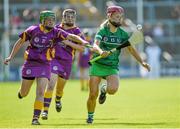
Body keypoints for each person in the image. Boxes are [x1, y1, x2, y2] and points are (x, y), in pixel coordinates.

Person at [4, 10, 89, 125]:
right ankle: (21, 93)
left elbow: (71, 36)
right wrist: (10, 57)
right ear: (42, 20)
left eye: (52, 20)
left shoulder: (56, 32)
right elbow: (20, 42)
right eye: (48, 20)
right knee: (24, 93)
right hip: (31, 63)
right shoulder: (32, 30)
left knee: (41, 91)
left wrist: (83, 42)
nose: (51, 22)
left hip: (46, 64)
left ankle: (36, 118)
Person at [86, 6, 151, 124]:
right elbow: (95, 45)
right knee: (92, 94)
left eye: (121, 17)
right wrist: (101, 52)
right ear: (109, 16)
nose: (119, 19)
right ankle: (90, 116)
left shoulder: (123, 34)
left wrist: (142, 62)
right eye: (117, 17)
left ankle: (104, 89)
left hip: (112, 66)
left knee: (113, 90)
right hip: (98, 64)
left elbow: (131, 49)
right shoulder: (102, 31)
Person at [41, 9, 86, 120]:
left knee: (60, 89)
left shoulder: (77, 32)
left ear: (74, 18)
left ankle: (58, 99)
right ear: (63, 17)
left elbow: (82, 48)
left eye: (72, 17)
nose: (70, 19)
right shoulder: (55, 29)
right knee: (51, 85)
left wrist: (67, 42)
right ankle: (45, 111)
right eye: (67, 17)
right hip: (54, 60)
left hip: (67, 62)